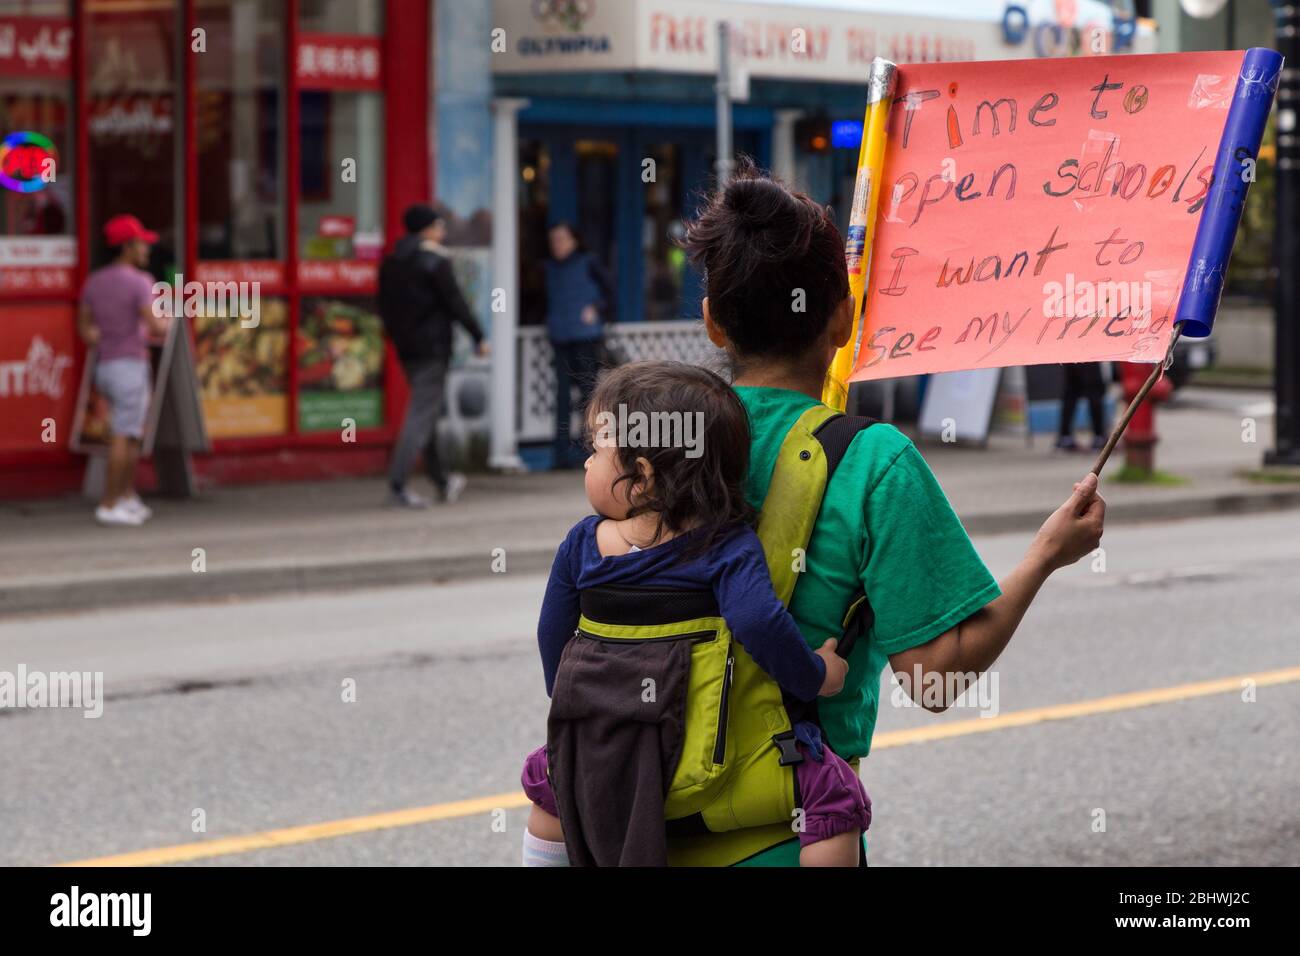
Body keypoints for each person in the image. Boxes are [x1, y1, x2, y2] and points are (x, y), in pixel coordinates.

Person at [680, 164, 1106, 866]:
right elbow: (934, 677)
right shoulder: (872, 461)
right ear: (845, 316)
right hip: (793, 837)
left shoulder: (659, 445)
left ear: (714, 322)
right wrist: (1044, 557)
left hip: (629, 818)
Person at [519, 361, 872, 867]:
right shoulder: (727, 547)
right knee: (835, 794)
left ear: (640, 477)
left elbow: (552, 637)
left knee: (549, 783)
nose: (586, 465)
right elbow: (760, 626)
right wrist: (817, 675)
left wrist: (582, 711)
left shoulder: (583, 544)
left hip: (596, 751)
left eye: (595, 451)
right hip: (698, 757)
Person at [379, 204, 488, 508]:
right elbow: (456, 303)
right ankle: (398, 483)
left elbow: (383, 307)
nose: (442, 232)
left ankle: (442, 479)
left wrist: (398, 338)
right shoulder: (434, 261)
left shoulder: (391, 261)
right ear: (426, 229)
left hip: (407, 350)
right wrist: (479, 336)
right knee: (420, 415)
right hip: (433, 349)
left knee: (427, 412)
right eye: (438, 226)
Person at [78, 215, 169, 527]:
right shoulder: (140, 282)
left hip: (105, 366)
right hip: (130, 365)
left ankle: (127, 497)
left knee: (129, 434)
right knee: (124, 435)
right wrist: (170, 320)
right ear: (127, 246)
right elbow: (156, 323)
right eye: (142, 243)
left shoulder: (95, 281)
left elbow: (86, 329)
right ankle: (109, 503)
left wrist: (101, 333)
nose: (146, 249)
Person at [544, 221, 614, 470]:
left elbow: (609, 290)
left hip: (585, 336)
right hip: (560, 336)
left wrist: (596, 308)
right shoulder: (549, 267)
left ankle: (590, 449)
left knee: (588, 393)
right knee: (562, 395)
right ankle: (561, 452)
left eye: (562, 239)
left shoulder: (588, 262)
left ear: (574, 241)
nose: (557, 245)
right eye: (553, 241)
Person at [1056, 362, 1110, 451]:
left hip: (1070, 354)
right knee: (1094, 390)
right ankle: (1099, 437)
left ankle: (1065, 437)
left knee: (1071, 391)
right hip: (1089, 354)